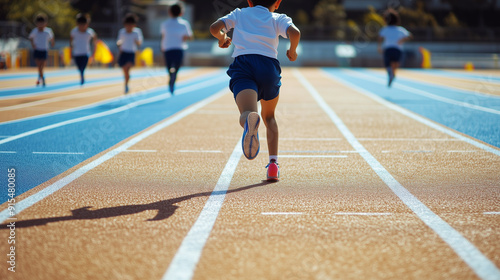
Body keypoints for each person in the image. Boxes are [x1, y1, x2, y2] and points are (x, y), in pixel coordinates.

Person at [210, 0, 301, 181]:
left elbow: (214, 28)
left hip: (243, 65)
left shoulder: (239, 13)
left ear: (250, 1)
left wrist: (222, 38)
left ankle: (250, 120)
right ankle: (273, 165)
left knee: (248, 112)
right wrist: (292, 50)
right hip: (268, 67)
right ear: (278, 2)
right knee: (269, 117)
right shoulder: (278, 17)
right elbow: (295, 33)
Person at [160, 2, 193, 94]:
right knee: (177, 66)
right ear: (181, 13)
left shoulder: (165, 24)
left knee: (169, 67)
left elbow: (163, 36)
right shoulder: (184, 24)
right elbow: (190, 37)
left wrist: (162, 47)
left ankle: (171, 77)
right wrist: (185, 37)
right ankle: (172, 78)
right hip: (178, 48)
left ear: (170, 12)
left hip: (168, 48)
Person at [378, 9, 412, 87]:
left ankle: (390, 73)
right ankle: (392, 74)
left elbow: (379, 37)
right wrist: (402, 40)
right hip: (397, 49)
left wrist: (379, 46)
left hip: (388, 49)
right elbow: (409, 36)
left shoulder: (385, 29)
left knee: (388, 64)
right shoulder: (400, 29)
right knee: (395, 63)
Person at [117, 13, 143, 94]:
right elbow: (119, 41)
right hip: (123, 52)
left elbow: (139, 42)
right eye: (127, 25)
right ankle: (126, 82)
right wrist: (118, 43)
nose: (129, 27)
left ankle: (127, 82)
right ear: (125, 25)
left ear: (134, 25)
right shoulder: (122, 32)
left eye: (131, 25)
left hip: (131, 53)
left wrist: (137, 42)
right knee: (125, 70)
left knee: (127, 67)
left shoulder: (136, 32)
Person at [70, 13, 97, 85]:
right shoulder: (74, 31)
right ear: (77, 24)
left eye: (83, 24)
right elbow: (71, 42)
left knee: (83, 67)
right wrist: (70, 52)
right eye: (80, 24)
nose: (82, 26)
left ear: (86, 24)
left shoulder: (89, 32)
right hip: (77, 53)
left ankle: (82, 75)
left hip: (86, 53)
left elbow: (95, 41)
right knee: (79, 67)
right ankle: (81, 74)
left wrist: (94, 53)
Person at [29, 13, 55, 87]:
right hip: (37, 50)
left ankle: (40, 78)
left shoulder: (48, 31)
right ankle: (42, 77)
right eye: (39, 23)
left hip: (44, 50)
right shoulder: (34, 31)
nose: (40, 25)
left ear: (45, 23)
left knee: (42, 66)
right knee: (39, 65)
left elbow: (52, 39)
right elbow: (31, 38)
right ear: (36, 23)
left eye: (42, 23)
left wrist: (52, 43)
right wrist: (33, 44)